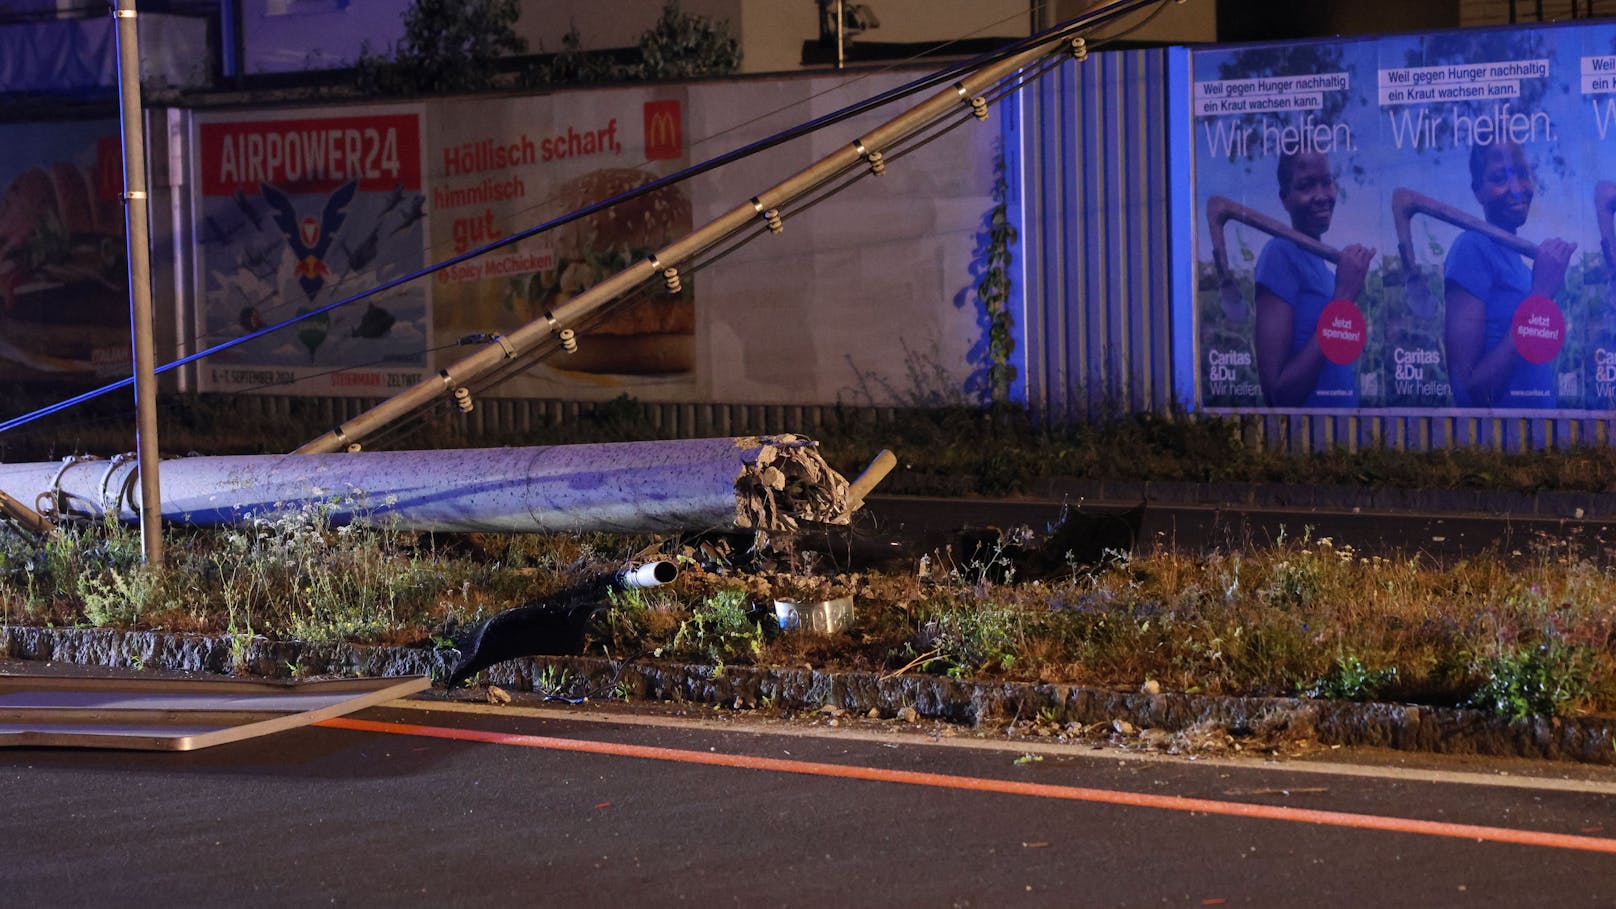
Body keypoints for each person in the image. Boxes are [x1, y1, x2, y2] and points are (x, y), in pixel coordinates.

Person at [1443, 141, 1576, 409]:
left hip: (1537, 443)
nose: (1517, 189)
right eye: (1499, 178)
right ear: (1478, 192)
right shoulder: (1472, 248)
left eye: (1523, 174)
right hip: (1498, 444)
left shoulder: (1522, 267)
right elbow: (1469, 391)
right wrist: (1539, 297)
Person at [1254, 151, 1376, 407]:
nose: (1321, 195)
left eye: (1326, 182)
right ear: (1284, 198)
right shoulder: (1280, 254)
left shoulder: (1326, 271)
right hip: (1305, 440)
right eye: (1306, 185)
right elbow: (1278, 394)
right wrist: (1343, 297)